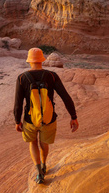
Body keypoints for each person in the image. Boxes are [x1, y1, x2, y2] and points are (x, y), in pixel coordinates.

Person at [14, 47, 79, 184]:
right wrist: (73, 116)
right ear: (42, 60)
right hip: (49, 120)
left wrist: (17, 121)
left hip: (30, 120)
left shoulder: (22, 78)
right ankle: (44, 165)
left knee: (33, 143)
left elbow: (18, 103)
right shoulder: (52, 76)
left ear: (29, 61)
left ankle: (39, 172)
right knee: (44, 145)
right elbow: (65, 97)